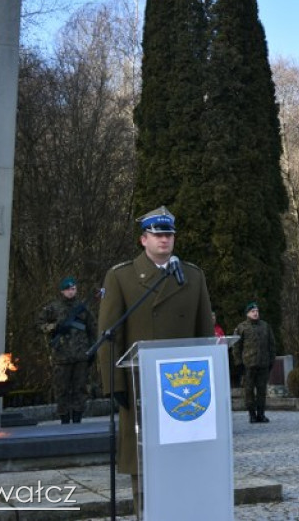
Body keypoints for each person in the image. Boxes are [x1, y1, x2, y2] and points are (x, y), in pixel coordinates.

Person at [97, 206, 215, 507]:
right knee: (144, 465)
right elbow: (110, 336)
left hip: (184, 387)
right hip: (141, 388)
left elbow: (204, 333)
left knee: (184, 463)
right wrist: (116, 386)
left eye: (169, 235)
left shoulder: (192, 276)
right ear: (143, 239)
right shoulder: (121, 277)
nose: (165, 240)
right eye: (158, 235)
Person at [37, 276, 96, 424]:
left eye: (73, 289)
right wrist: (55, 327)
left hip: (81, 355)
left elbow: (92, 329)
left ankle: (77, 418)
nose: (71, 292)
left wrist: (93, 349)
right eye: (68, 289)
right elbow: (39, 323)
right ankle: (64, 419)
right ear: (62, 291)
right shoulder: (53, 308)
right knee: (62, 390)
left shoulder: (83, 308)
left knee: (80, 389)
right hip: (62, 356)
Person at [233, 301, 277, 423]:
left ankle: (261, 414)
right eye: (253, 311)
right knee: (249, 391)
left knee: (262, 391)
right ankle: (252, 415)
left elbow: (272, 344)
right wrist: (238, 363)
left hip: (263, 364)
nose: (256, 313)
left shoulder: (265, 326)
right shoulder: (241, 327)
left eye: (257, 311)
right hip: (248, 365)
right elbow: (236, 347)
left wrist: (271, 360)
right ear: (247, 314)